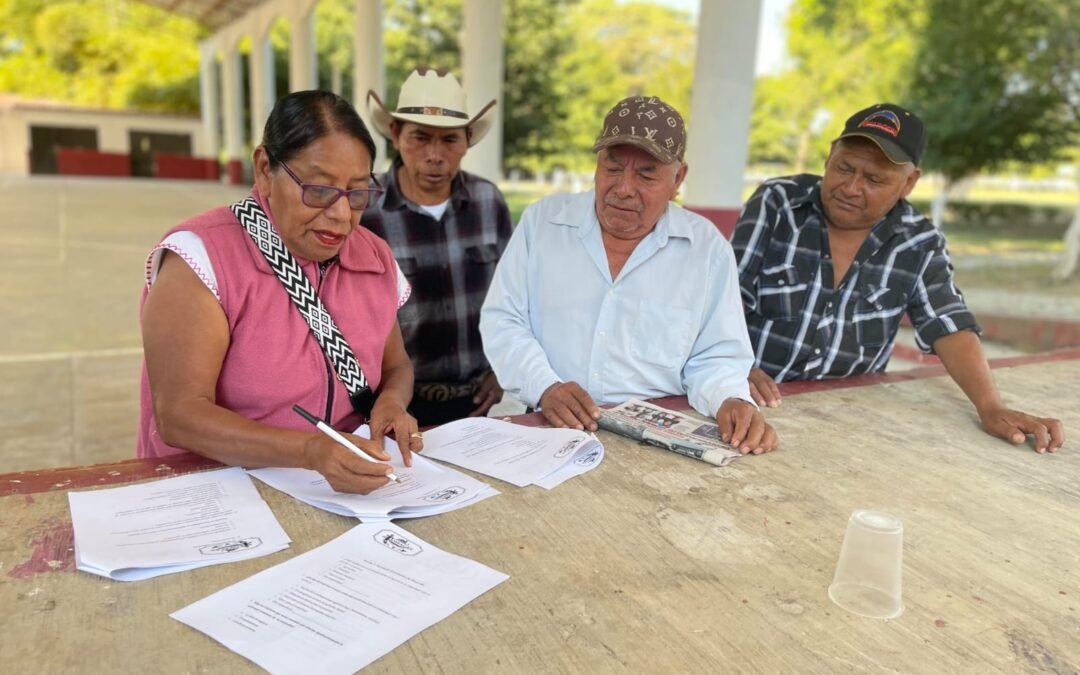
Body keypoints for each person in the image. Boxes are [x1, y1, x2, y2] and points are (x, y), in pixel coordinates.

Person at [732, 102, 1065, 453]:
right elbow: (727, 294)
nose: (851, 187)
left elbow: (948, 324)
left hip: (845, 419)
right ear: (830, 154)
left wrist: (990, 406)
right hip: (750, 399)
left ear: (909, 183)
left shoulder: (919, 242)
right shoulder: (778, 202)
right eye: (844, 168)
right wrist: (734, 365)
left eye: (875, 179)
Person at [138, 90, 424, 494]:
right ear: (264, 170)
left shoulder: (374, 256)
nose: (341, 215)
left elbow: (396, 366)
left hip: (340, 488)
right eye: (319, 189)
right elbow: (179, 415)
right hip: (216, 491)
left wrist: (392, 403)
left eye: (357, 193)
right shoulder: (202, 259)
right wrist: (311, 451)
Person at [481, 96, 778, 455]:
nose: (623, 187)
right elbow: (503, 319)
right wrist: (545, 386)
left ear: (677, 179)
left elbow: (716, 355)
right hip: (548, 423)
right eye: (613, 167)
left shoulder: (706, 250)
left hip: (658, 439)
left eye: (646, 174)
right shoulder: (543, 222)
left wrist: (730, 399)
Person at [362, 67, 513, 426]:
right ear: (396, 135)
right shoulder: (365, 209)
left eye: (449, 140)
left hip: (477, 404)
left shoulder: (488, 201)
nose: (434, 154)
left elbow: (515, 297)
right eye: (420, 137)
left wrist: (503, 369)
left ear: (467, 141)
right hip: (390, 406)